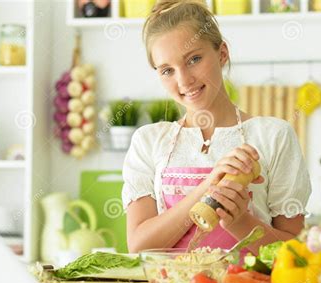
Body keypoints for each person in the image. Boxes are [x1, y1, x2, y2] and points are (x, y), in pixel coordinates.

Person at [121, 0, 311, 255]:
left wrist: (241, 222)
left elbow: (296, 255)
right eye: (167, 70)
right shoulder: (148, 141)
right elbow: (139, 246)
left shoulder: (273, 136)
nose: (184, 80)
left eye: (194, 59)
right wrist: (206, 189)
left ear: (222, 54)